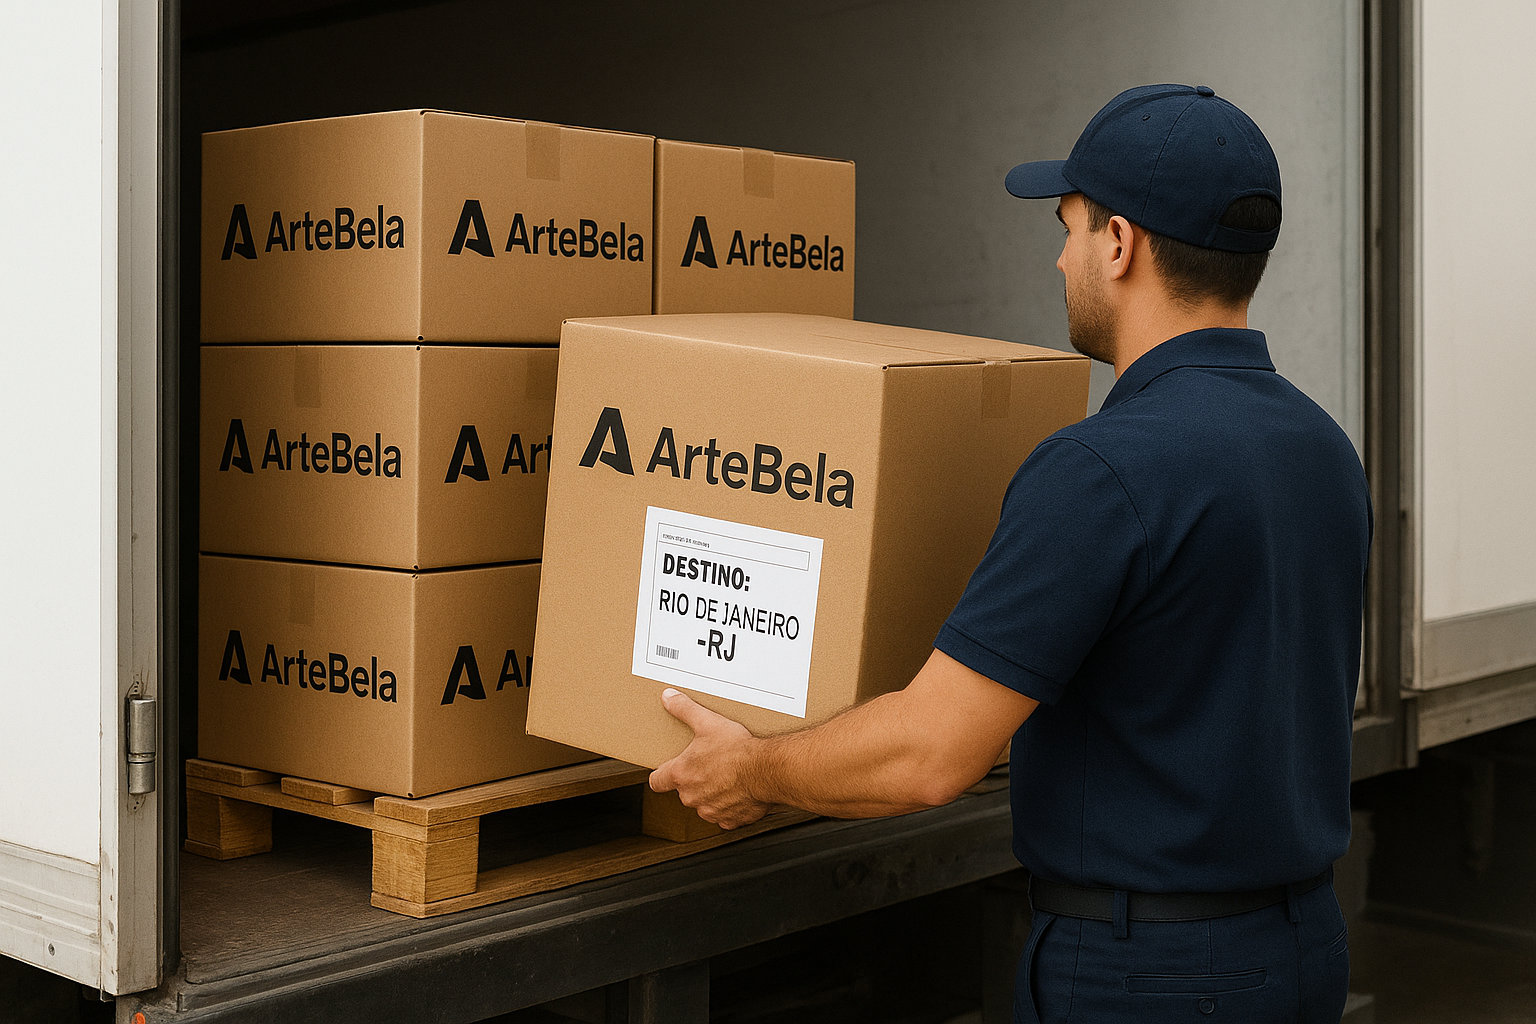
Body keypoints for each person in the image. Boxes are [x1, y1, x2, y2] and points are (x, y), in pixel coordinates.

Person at [648, 83, 1371, 1023]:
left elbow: (928, 757)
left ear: (1121, 244)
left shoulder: (1101, 469)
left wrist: (750, 772)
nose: (1060, 255)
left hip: (1146, 979)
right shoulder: (1322, 447)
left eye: (1070, 226)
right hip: (1300, 949)